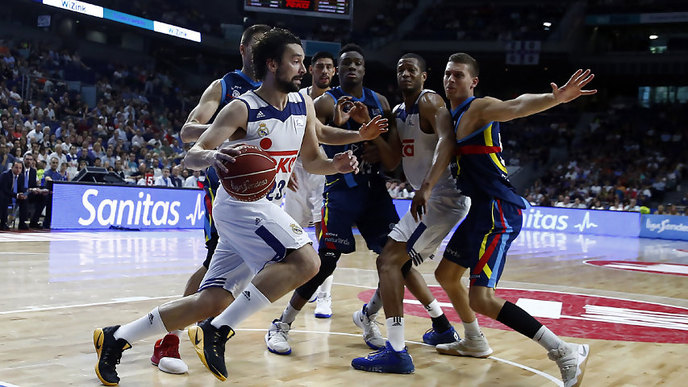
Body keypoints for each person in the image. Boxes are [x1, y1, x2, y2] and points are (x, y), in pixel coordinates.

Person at [92, 27, 387, 385]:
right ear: (272, 64)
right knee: (307, 261)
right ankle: (218, 331)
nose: (303, 69)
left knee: (212, 299)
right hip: (240, 205)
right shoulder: (240, 107)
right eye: (296, 61)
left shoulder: (303, 104)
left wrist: (340, 160)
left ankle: (116, 337)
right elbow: (193, 154)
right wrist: (215, 155)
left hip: (266, 206)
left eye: (303, 62)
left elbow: (312, 159)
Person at [422, 53, 594, 386]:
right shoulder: (452, 115)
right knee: (446, 274)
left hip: (499, 210)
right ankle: (474, 340)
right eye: (447, 74)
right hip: (480, 210)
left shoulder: (478, 108)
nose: (450, 80)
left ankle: (565, 351)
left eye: (458, 75)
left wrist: (555, 98)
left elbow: (516, 106)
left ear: (473, 82)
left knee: (482, 297)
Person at [264, 43, 417, 356]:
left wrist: (372, 138)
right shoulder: (321, 103)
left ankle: (367, 317)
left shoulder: (381, 101)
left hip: (373, 190)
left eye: (357, 63)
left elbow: (391, 162)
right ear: (338, 70)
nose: (351, 68)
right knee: (325, 260)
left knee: (395, 258)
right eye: (346, 63)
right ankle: (282, 323)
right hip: (338, 186)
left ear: (363, 69)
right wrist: (339, 125)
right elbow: (313, 138)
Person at [141, 24, 271, 374]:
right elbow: (187, 131)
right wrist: (231, 129)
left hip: (266, 193)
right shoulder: (225, 86)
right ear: (243, 50)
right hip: (225, 185)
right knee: (214, 263)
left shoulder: (277, 92)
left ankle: (210, 328)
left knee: (266, 268)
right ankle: (169, 340)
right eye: (257, 47)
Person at [351, 53, 490, 374]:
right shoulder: (400, 112)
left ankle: (396, 349)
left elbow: (448, 140)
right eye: (400, 69)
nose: (405, 74)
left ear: (425, 76)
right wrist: (364, 128)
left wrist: (426, 186)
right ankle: (443, 328)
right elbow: (391, 162)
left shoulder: (430, 102)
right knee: (394, 263)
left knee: (389, 261)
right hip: (427, 198)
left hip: (443, 198)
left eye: (412, 69)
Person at [285, 51, 336, 318]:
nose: (324, 71)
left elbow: (331, 135)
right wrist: (286, 167)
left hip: (323, 174)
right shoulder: (296, 96)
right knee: (292, 235)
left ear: (334, 72)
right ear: (310, 69)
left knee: (324, 236)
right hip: (296, 170)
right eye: (320, 67)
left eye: (329, 67)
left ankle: (325, 296)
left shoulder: (337, 100)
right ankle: (309, 281)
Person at [0, 161, 27, 230]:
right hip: (5, 195)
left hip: (15, 195)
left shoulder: (21, 176)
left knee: (24, 200)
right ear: (12, 167)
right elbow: (4, 189)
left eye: (20, 168)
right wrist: (16, 195)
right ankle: (3, 223)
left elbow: (21, 188)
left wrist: (23, 194)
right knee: (4, 198)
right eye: (16, 167)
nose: (18, 170)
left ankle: (22, 223)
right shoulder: (5, 175)